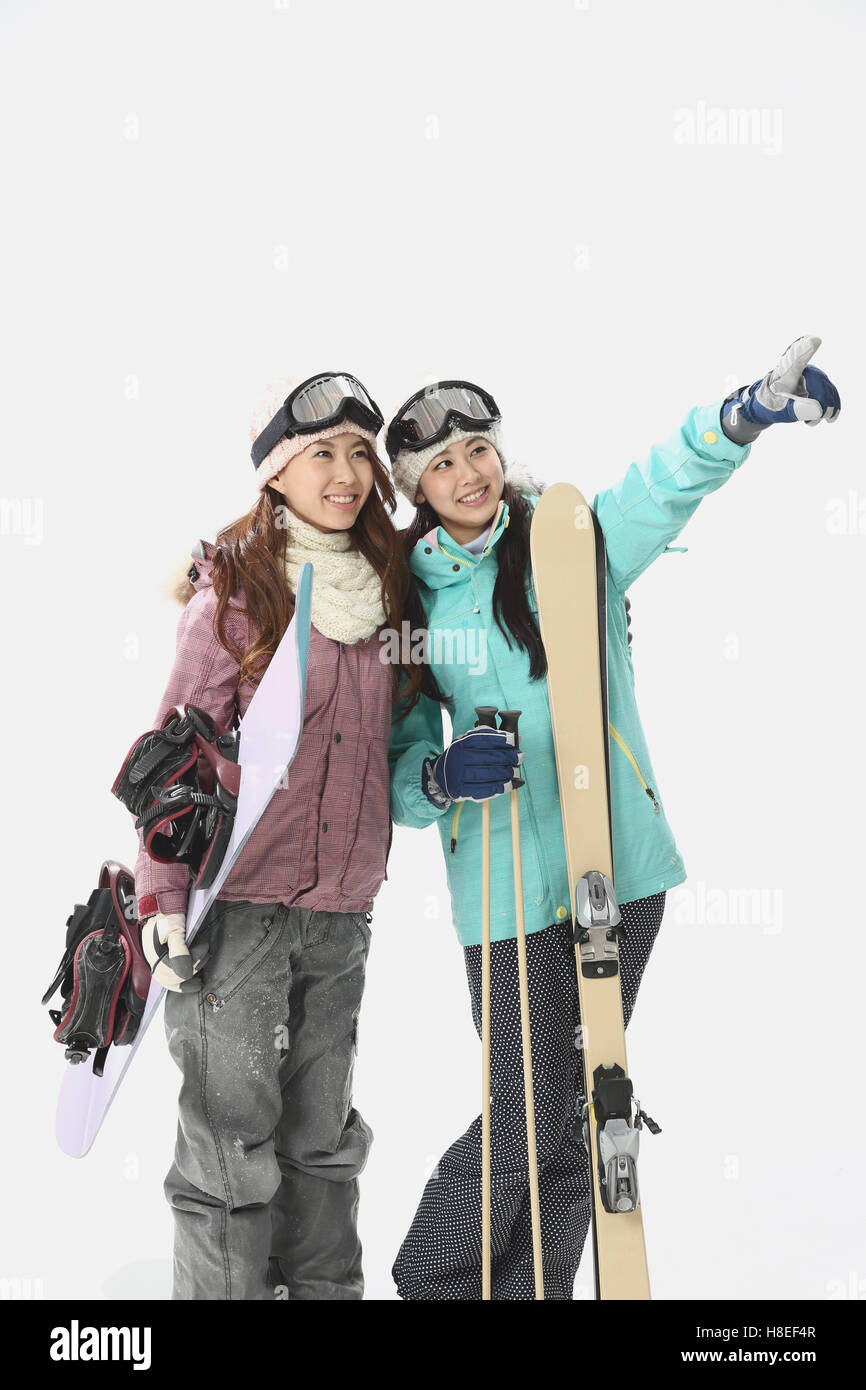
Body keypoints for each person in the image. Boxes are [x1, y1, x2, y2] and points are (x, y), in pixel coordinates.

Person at [386, 338, 840, 1300]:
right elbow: (395, 778)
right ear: (416, 488)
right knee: (529, 1115)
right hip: (504, 891)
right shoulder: (411, 603)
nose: (469, 472)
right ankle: (432, 1281)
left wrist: (738, 418)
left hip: (621, 874)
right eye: (442, 464)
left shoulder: (570, 545)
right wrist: (442, 776)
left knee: (578, 1107)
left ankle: (527, 1291)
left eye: (479, 449)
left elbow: (658, 490)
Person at [127, 371, 416, 1300]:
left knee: (322, 1143)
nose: (346, 473)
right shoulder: (237, 597)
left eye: (359, 454)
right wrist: (161, 902)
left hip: (340, 914)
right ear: (277, 474)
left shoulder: (387, 596)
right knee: (229, 1150)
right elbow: (171, 763)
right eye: (320, 454)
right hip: (237, 916)